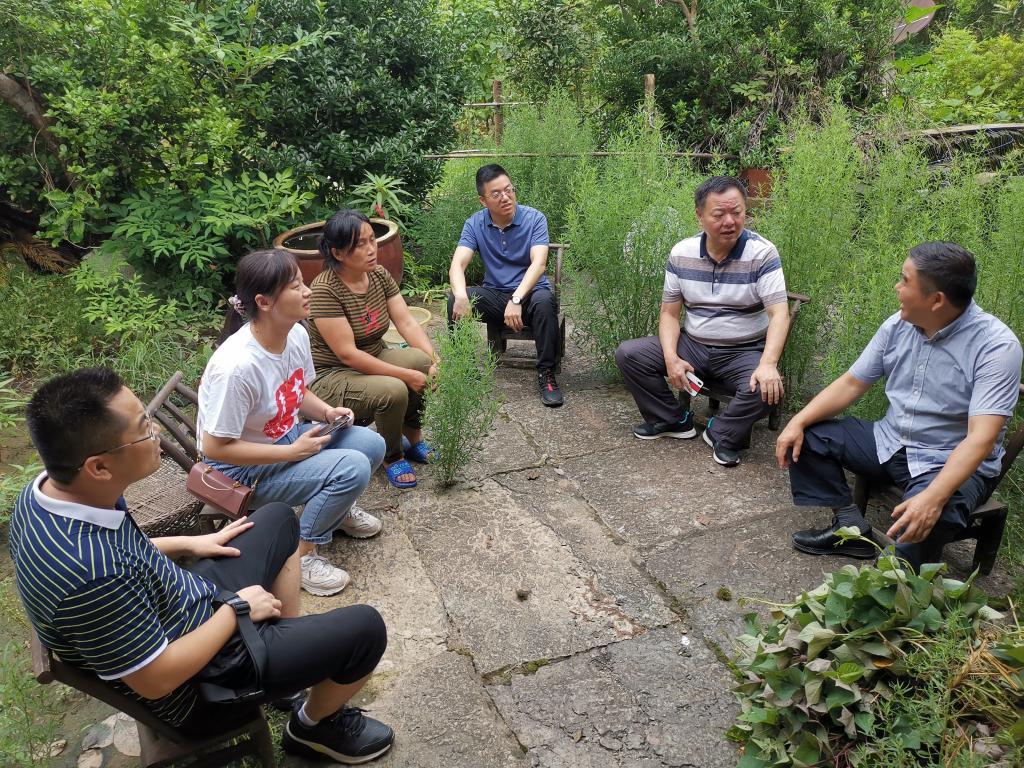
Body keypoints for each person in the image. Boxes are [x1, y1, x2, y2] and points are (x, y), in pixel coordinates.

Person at [9, 367, 394, 762]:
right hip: (201, 687)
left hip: (179, 606)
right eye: (144, 429)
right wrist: (237, 610)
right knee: (366, 629)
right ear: (99, 467)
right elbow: (157, 680)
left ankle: (285, 673)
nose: (155, 433)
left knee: (278, 519)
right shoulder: (90, 576)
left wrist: (191, 542)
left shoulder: (49, 494)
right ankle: (311, 727)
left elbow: (121, 551)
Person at [777, 242, 1022, 569]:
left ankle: (892, 584)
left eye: (905, 281)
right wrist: (797, 421)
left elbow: (982, 438)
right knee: (807, 436)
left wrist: (933, 497)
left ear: (937, 300)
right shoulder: (898, 325)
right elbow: (852, 383)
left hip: (948, 461)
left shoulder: (996, 347)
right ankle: (850, 527)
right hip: (890, 441)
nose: (897, 287)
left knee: (927, 519)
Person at [198, 249, 387, 597]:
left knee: (372, 444)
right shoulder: (237, 368)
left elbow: (297, 391)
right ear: (264, 302)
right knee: (352, 468)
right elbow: (214, 448)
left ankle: (335, 512)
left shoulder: (296, 334)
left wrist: (327, 412)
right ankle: (300, 555)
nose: (308, 291)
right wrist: (292, 453)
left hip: (286, 440)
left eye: (303, 282)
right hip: (239, 472)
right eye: (296, 286)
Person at [614, 175, 789, 467]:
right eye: (719, 214)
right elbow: (669, 313)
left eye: (737, 212)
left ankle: (721, 432)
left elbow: (779, 313)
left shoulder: (762, 253)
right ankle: (673, 420)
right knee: (629, 354)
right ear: (700, 216)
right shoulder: (681, 253)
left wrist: (768, 363)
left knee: (766, 388)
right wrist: (671, 358)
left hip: (742, 352)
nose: (730, 221)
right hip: (693, 345)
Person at [307, 209, 439, 490]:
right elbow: (347, 354)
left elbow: (406, 322)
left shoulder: (378, 275)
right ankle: (392, 455)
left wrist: (433, 359)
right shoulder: (325, 290)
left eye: (372, 240)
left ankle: (413, 436)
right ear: (338, 253)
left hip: (375, 353)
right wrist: (405, 375)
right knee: (394, 389)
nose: (371, 249)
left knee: (420, 362)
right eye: (360, 244)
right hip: (333, 374)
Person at [448, 163, 563, 407]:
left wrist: (517, 299)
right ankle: (465, 371)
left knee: (545, 301)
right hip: (496, 296)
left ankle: (547, 374)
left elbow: (539, 264)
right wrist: (460, 296)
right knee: (454, 299)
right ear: (483, 201)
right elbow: (457, 264)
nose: (506, 197)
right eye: (496, 193)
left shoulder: (534, 219)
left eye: (509, 190)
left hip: (530, 295)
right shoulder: (474, 224)